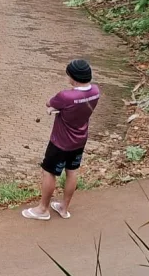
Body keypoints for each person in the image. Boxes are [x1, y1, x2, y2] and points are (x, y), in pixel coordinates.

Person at [22, 59, 101, 221]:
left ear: (73, 77)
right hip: (80, 140)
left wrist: (54, 108)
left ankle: (43, 209)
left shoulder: (66, 96)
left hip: (61, 142)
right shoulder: (95, 91)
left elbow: (50, 103)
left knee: (49, 172)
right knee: (72, 171)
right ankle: (64, 208)